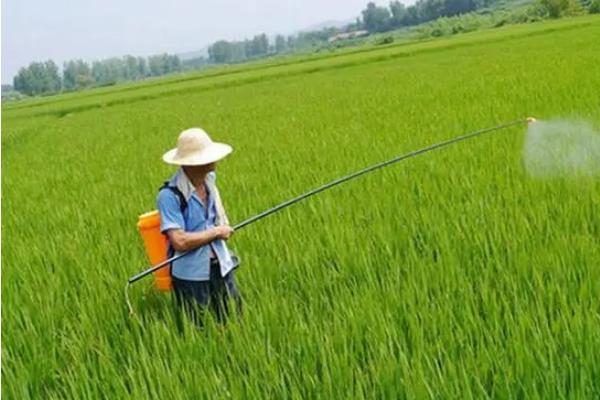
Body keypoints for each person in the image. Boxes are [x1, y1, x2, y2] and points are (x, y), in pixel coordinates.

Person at [157, 127, 241, 326]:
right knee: (200, 329)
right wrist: (216, 232)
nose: (214, 160)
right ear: (193, 163)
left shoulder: (209, 181)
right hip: (191, 276)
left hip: (221, 265)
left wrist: (220, 228)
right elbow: (179, 241)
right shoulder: (169, 196)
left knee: (234, 321)